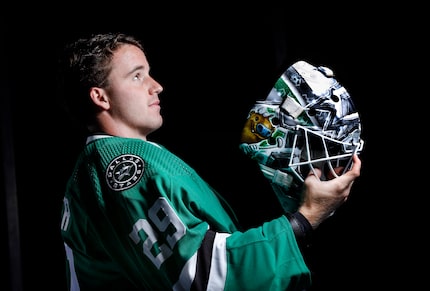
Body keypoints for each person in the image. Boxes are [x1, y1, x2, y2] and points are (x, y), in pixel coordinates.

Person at [57, 32, 361, 291]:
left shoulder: (103, 165)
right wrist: (306, 218)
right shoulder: (124, 167)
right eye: (137, 76)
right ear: (101, 97)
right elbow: (203, 278)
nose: (156, 86)